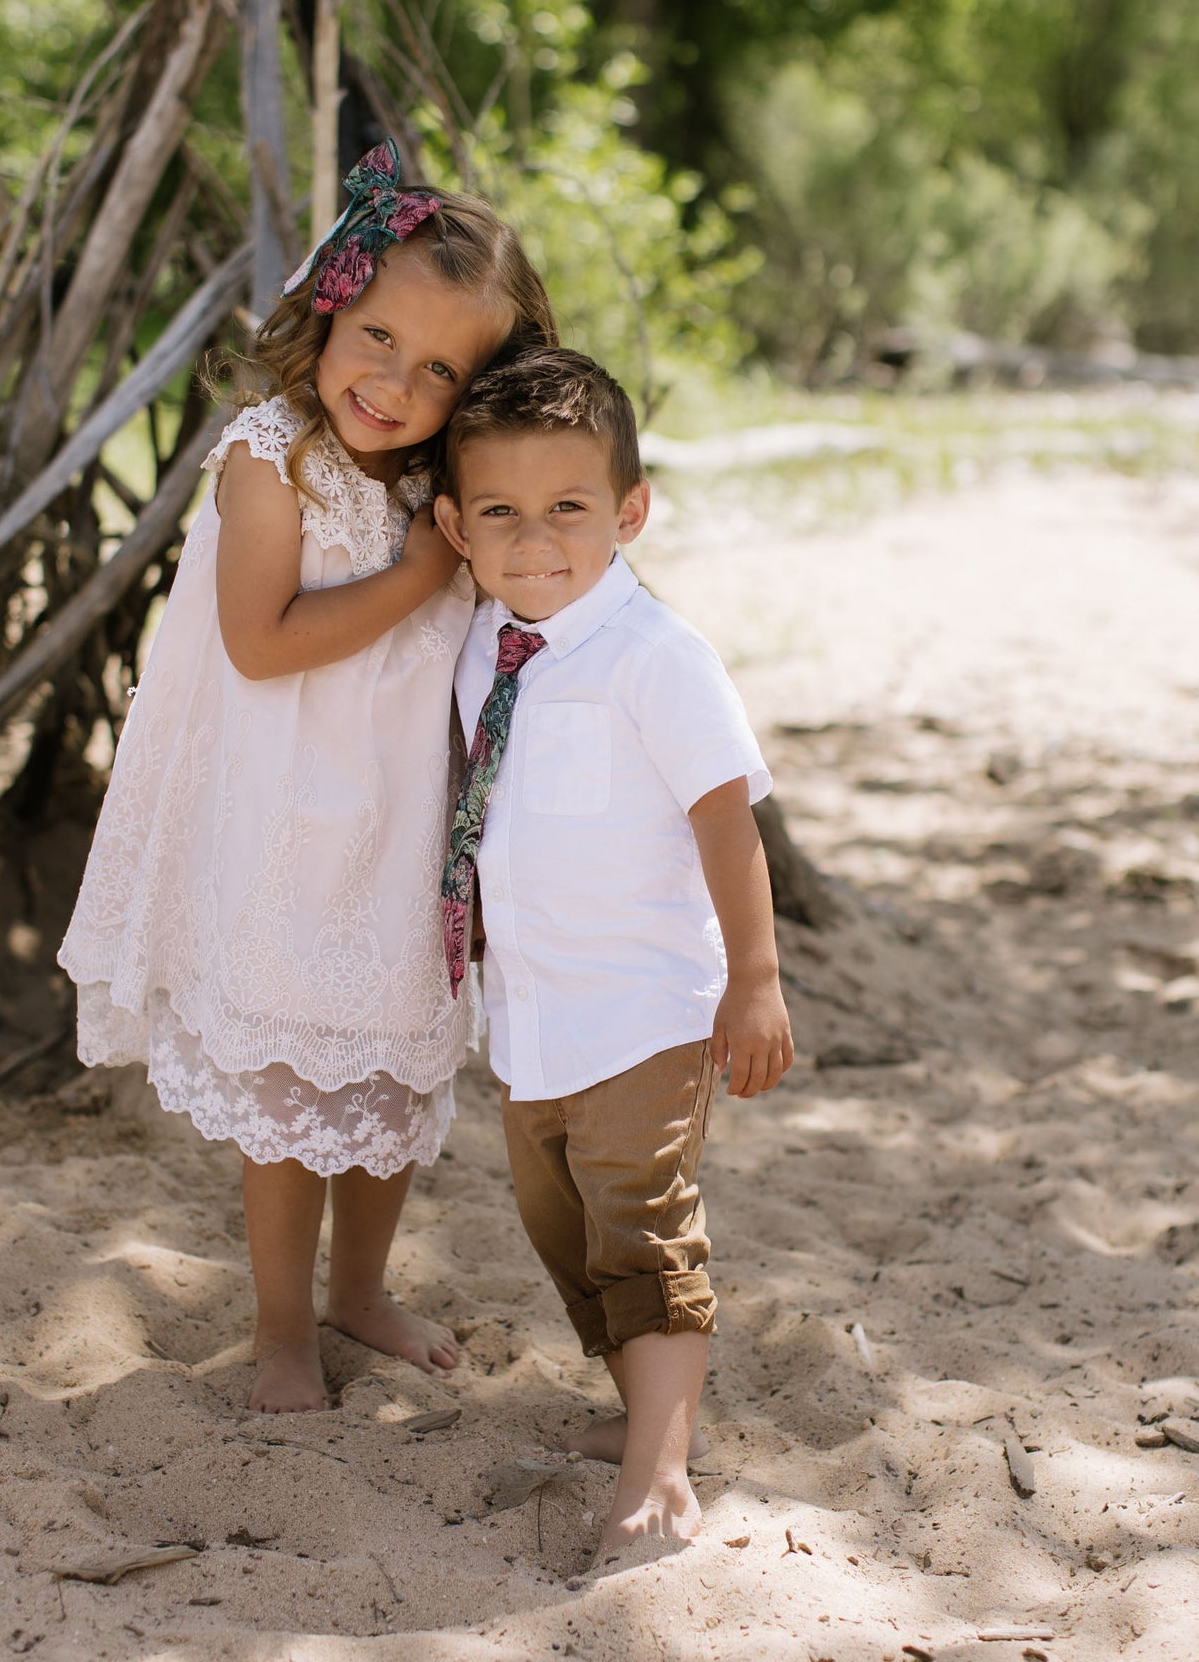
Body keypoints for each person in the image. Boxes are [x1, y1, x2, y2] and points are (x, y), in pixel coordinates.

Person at [58, 139, 555, 1414]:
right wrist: (417, 574)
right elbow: (258, 641)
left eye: (441, 368)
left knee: (390, 1065)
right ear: (330, 302)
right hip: (283, 822)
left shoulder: (448, 481)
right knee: (289, 1097)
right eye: (379, 336)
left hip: (402, 823)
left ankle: (360, 1289)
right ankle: (283, 1320)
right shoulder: (268, 459)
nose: (394, 382)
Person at [432, 347, 793, 1562]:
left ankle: (660, 1473)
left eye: (568, 508)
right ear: (454, 525)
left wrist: (753, 979)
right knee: (560, 1221)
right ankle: (642, 1404)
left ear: (627, 511)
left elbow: (722, 819)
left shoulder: (655, 655)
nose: (535, 538)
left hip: (645, 1006)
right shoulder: (483, 641)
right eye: (500, 512)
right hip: (531, 1014)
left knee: (639, 1221)